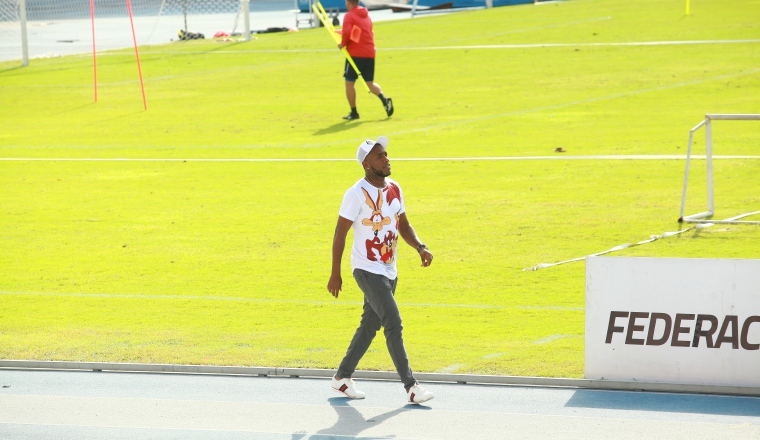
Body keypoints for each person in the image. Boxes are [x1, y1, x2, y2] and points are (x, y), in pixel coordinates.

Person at [327, 135, 434, 404]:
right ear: (366, 164)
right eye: (379, 156)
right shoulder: (355, 194)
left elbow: (404, 225)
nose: (386, 159)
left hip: (389, 269)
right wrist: (335, 272)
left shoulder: (395, 188)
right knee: (393, 323)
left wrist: (420, 247)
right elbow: (340, 234)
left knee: (370, 325)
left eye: (385, 154)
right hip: (365, 269)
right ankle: (411, 387)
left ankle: (342, 378)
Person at [337, 0, 394, 121]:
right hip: (369, 52)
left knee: (349, 82)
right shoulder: (366, 15)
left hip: (355, 54)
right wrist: (342, 34)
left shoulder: (349, 15)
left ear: (348, 2)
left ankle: (354, 112)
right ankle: (384, 100)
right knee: (370, 83)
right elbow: (358, 33)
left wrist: (342, 43)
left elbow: (348, 32)